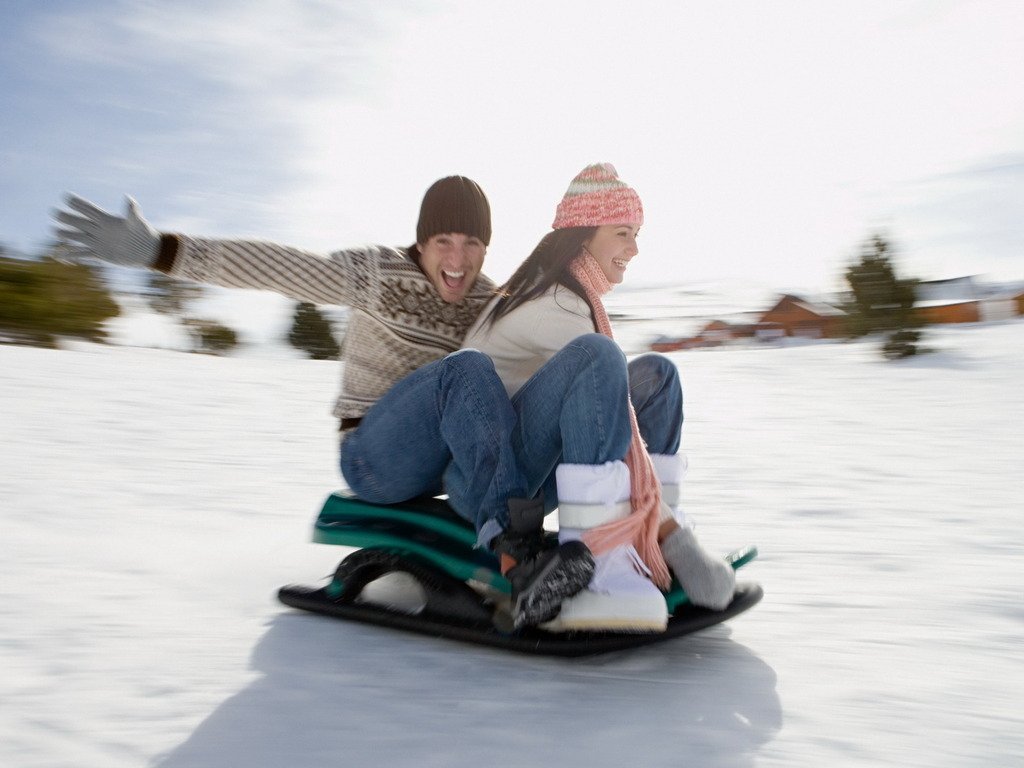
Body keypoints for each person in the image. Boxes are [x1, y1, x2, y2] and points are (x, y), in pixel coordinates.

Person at [52, 177, 594, 628]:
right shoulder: (375, 274)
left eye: (472, 243)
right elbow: (275, 265)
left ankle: (603, 538)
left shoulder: (488, 300)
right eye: (444, 241)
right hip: (376, 459)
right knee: (465, 370)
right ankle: (519, 560)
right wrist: (159, 251)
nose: (458, 259)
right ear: (422, 241)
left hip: (447, 466)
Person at [463, 163, 736, 632]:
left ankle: (646, 538)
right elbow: (616, 421)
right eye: (623, 233)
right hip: (498, 478)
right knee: (599, 359)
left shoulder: (573, 292)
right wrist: (679, 541)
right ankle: (605, 553)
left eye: (637, 234)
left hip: (534, 457)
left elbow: (616, 414)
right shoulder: (556, 303)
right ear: (585, 234)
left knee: (657, 376)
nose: (634, 248)